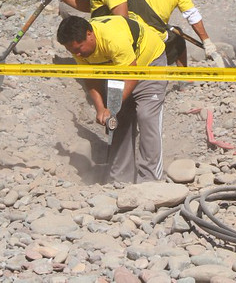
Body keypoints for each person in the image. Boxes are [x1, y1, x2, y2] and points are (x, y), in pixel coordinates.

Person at [56, 15, 167, 183]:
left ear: (89, 34)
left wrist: (112, 106)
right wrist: (101, 108)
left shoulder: (113, 38)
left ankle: (150, 179)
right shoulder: (77, 48)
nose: (77, 54)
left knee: (146, 115)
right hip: (119, 70)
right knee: (116, 120)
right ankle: (120, 178)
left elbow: (133, 74)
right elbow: (90, 78)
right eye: (72, 51)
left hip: (149, 63)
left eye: (79, 48)